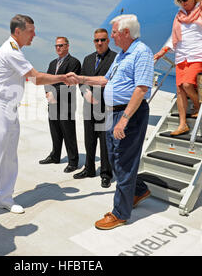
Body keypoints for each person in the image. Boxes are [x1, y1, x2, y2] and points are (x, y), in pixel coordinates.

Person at [0, 14, 77, 224]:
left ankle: (5, 198)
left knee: (9, 156)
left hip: (10, 110)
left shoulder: (16, 50)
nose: (34, 35)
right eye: (31, 31)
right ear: (18, 31)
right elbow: (36, 78)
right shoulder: (10, 51)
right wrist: (63, 77)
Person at [67, 14, 154, 230]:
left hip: (128, 114)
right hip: (112, 112)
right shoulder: (123, 55)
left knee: (123, 162)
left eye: (114, 32)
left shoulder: (141, 52)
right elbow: (107, 80)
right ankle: (139, 190)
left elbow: (141, 89)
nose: (112, 36)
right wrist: (81, 79)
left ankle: (120, 213)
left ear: (125, 32)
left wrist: (124, 120)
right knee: (115, 158)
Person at [154, 0, 202, 136]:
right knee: (180, 90)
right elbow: (174, 37)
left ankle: (198, 106)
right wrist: (162, 51)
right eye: (179, 0)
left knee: (187, 84)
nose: (182, 3)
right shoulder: (179, 15)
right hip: (181, 56)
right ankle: (182, 124)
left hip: (198, 54)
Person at [73, 28, 116, 188]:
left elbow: (113, 82)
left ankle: (106, 174)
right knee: (89, 141)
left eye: (102, 40)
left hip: (106, 108)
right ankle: (89, 168)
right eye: (97, 40)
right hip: (88, 107)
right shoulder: (88, 59)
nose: (99, 43)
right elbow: (82, 80)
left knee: (105, 144)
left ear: (108, 41)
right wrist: (85, 93)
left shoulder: (115, 59)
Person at [39, 37, 81, 173]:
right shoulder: (52, 63)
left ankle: (73, 161)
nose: (58, 48)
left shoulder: (74, 62)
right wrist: (47, 91)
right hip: (52, 104)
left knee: (68, 133)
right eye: (56, 46)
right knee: (55, 131)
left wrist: (53, 93)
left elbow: (69, 82)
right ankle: (55, 155)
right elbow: (46, 79)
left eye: (61, 45)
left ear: (67, 46)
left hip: (65, 104)